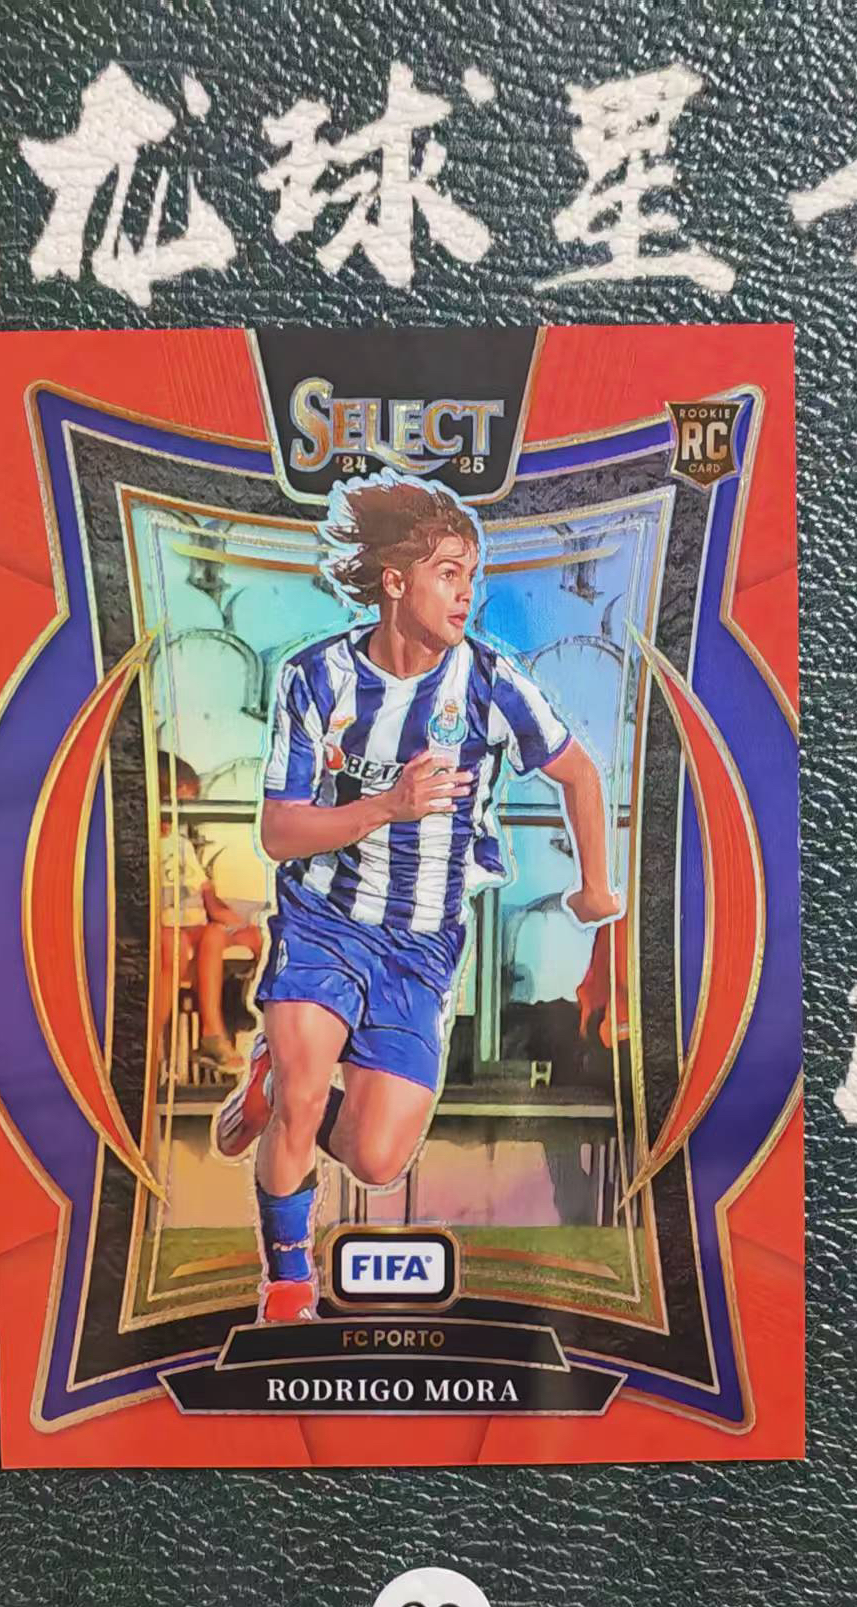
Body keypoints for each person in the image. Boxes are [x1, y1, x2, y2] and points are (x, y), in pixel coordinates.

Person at [213, 472, 621, 1321]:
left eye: (472, 574)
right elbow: (280, 832)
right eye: (447, 572)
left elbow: (579, 773)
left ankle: (273, 1084)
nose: (466, 592)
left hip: (421, 944)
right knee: (303, 1105)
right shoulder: (315, 677)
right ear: (395, 582)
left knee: (376, 1158)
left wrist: (593, 886)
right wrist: (385, 807)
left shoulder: (488, 681)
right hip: (323, 922)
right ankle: (287, 1286)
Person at [155, 754, 262, 1075]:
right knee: (171, 944)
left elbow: (208, 899)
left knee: (221, 934)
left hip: (193, 925)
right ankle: (151, 1040)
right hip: (163, 928)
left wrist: (242, 925)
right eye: (178, 806)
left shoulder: (181, 845)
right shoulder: (143, 844)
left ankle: (214, 1032)